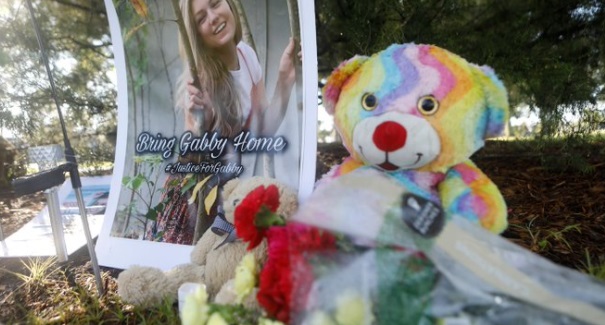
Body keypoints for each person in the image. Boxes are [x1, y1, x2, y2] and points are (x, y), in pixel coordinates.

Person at [145, 0, 298, 245]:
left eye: (215, 4)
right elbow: (195, 154)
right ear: (195, 36)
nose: (213, 17)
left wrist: (284, 80)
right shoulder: (200, 83)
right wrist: (200, 123)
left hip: (229, 188)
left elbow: (264, 129)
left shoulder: (246, 55)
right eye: (201, 19)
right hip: (199, 194)